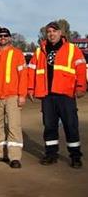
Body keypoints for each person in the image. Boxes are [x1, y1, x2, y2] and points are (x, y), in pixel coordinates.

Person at [28, 21, 87, 168]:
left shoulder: (72, 49)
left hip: (65, 94)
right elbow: (31, 70)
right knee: (49, 126)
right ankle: (51, 154)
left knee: (71, 126)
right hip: (47, 95)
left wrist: (81, 86)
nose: (51, 34)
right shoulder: (40, 50)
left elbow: (80, 68)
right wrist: (30, 88)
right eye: (48, 32)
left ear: (60, 33)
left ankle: (75, 156)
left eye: (54, 31)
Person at [0, 27, 28, 169]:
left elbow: (23, 76)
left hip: (12, 96)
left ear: (10, 37)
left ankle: (14, 157)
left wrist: (22, 95)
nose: (2, 37)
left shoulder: (17, 54)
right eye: (0, 36)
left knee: (13, 126)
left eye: (5, 35)